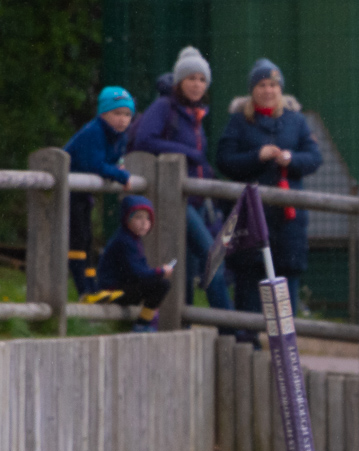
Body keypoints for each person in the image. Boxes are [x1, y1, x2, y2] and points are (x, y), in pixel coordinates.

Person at [217, 58, 323, 330]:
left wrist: (292, 159)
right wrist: (257, 156)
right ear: (253, 89)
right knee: (249, 277)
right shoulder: (239, 122)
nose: (268, 90)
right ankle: (246, 340)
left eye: (273, 85)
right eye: (262, 84)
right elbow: (225, 160)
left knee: (287, 278)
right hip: (251, 217)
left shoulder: (296, 121)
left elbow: (314, 158)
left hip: (288, 220)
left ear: (281, 89)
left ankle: (287, 344)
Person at [130, 46, 235, 315]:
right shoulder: (164, 107)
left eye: (202, 79)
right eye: (191, 79)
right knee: (214, 256)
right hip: (175, 198)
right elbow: (144, 139)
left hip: (198, 199)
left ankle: (186, 321)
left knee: (186, 267)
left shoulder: (196, 114)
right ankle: (231, 326)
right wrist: (189, 153)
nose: (197, 84)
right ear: (179, 81)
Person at [64, 86, 135, 298]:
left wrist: (118, 168)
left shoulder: (119, 135)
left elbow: (113, 159)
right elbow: (94, 164)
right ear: (103, 113)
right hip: (69, 192)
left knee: (87, 239)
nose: (122, 120)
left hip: (83, 194)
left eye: (127, 114)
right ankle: (84, 289)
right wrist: (121, 176)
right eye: (117, 114)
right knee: (78, 239)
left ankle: (93, 287)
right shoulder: (94, 132)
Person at [96, 196, 174, 332]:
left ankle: (146, 320)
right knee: (162, 285)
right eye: (138, 217)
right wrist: (160, 272)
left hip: (123, 287)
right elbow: (137, 273)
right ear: (126, 218)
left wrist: (156, 274)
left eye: (147, 218)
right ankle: (142, 323)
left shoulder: (132, 239)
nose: (144, 223)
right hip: (113, 292)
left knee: (158, 284)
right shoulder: (125, 241)